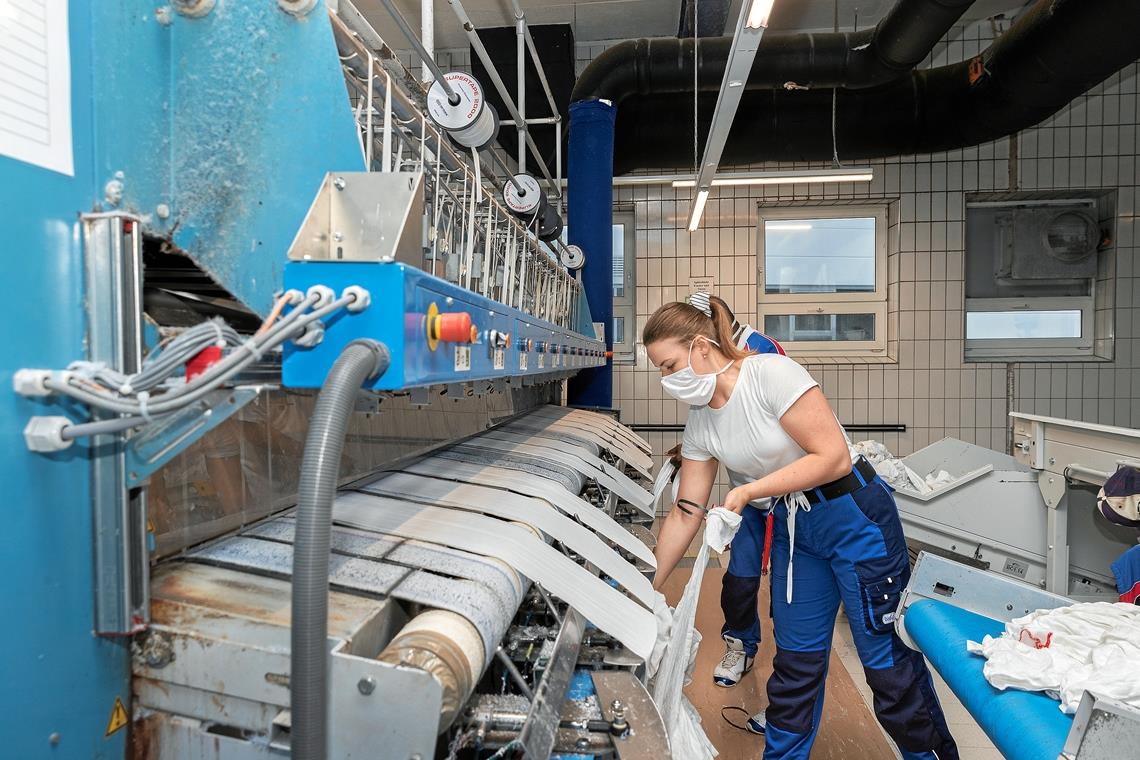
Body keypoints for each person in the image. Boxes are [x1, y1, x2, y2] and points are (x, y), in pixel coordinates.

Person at [645, 299, 959, 760]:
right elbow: (685, 511)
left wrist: (749, 491)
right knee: (796, 665)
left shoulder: (769, 375)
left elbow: (829, 456)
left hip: (853, 516)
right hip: (797, 531)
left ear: (700, 346)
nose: (667, 380)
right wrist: (643, 587)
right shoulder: (701, 424)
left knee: (886, 663)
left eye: (670, 365)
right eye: (660, 371)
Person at [667, 294, 785, 703]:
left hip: (795, 504)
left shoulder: (764, 356)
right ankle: (740, 644)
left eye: (670, 365)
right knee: (739, 581)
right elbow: (718, 419)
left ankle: (787, 690)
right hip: (750, 502)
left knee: (791, 602)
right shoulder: (702, 401)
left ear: (706, 339)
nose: (668, 378)